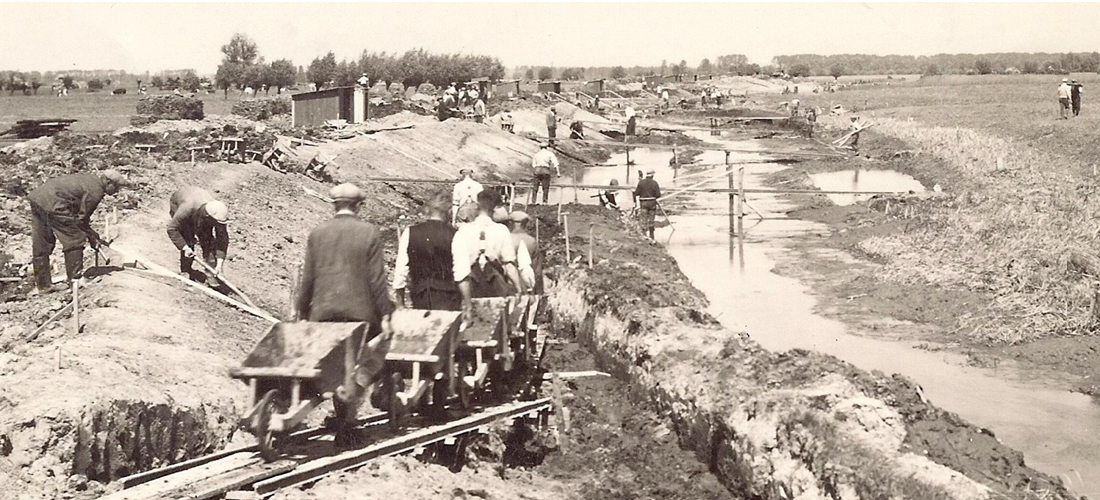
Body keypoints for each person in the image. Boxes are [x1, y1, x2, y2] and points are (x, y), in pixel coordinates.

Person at [296, 183, 394, 446]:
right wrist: (385, 314)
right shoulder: (368, 232)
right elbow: (376, 281)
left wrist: (303, 311)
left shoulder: (318, 233)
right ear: (359, 206)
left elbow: (308, 278)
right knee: (375, 355)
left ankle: (341, 415)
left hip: (323, 312)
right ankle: (348, 419)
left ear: (334, 205)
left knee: (332, 363)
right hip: (359, 313)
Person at [28, 169, 132, 293]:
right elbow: (81, 220)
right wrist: (92, 236)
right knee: (75, 238)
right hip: (54, 204)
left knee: (42, 243)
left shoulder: (89, 179)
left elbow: (79, 216)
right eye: (117, 187)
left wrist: (92, 235)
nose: (116, 192)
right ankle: (76, 281)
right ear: (108, 182)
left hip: (38, 198)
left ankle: (43, 286)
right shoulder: (96, 191)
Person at [451, 190, 523, 319]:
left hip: (471, 283)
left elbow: (459, 266)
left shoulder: (464, 230)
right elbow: (509, 264)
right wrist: (518, 287)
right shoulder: (501, 230)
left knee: (471, 322)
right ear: (494, 209)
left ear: (478, 207)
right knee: (496, 322)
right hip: (495, 283)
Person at [393, 189, 461, 310]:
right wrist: (468, 304)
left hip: (420, 297)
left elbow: (400, 271)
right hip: (448, 299)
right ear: (449, 210)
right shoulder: (454, 234)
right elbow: (461, 273)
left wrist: (400, 302)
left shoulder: (410, 232)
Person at [166, 187, 231, 283]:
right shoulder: (187, 209)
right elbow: (172, 229)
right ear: (208, 217)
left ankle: (212, 274)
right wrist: (185, 248)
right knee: (188, 238)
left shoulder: (218, 214)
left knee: (208, 241)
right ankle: (186, 269)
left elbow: (222, 239)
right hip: (179, 200)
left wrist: (220, 264)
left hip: (199, 208)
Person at [507, 211, 537, 293]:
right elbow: (537, 269)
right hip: (527, 285)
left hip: (509, 286)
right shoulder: (531, 241)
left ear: (511, 223)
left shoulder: (506, 239)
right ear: (525, 223)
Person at [633, 169, 661, 241]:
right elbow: (658, 195)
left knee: (643, 218)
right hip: (652, 203)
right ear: (652, 175)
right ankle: (652, 236)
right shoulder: (655, 183)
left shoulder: (641, 182)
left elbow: (637, 193)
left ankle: (644, 235)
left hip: (643, 202)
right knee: (651, 219)